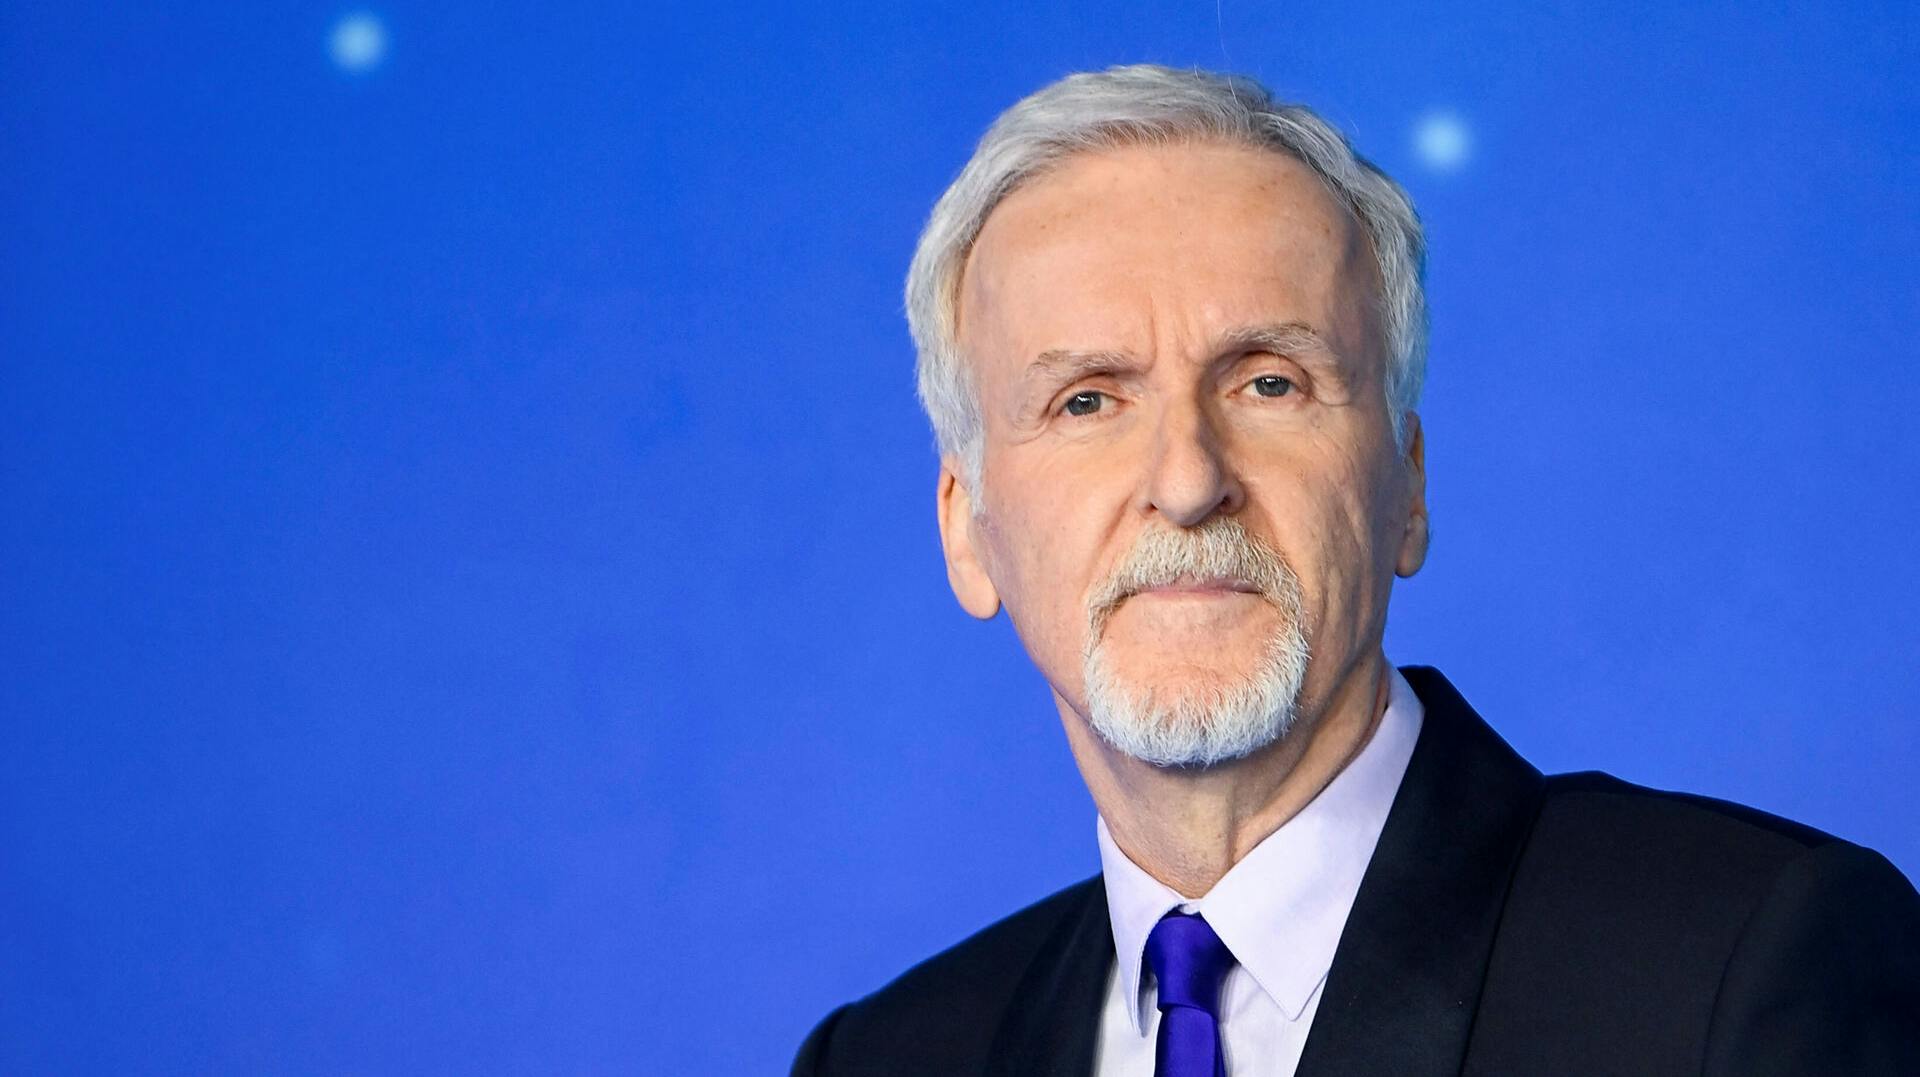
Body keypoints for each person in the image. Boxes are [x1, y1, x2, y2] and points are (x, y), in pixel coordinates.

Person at [791, 64, 1920, 1076]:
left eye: (1269, 383)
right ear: (966, 527)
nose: (1188, 481)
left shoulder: (1743, 963)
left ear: (1407, 489)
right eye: (1087, 399)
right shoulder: (886, 1057)